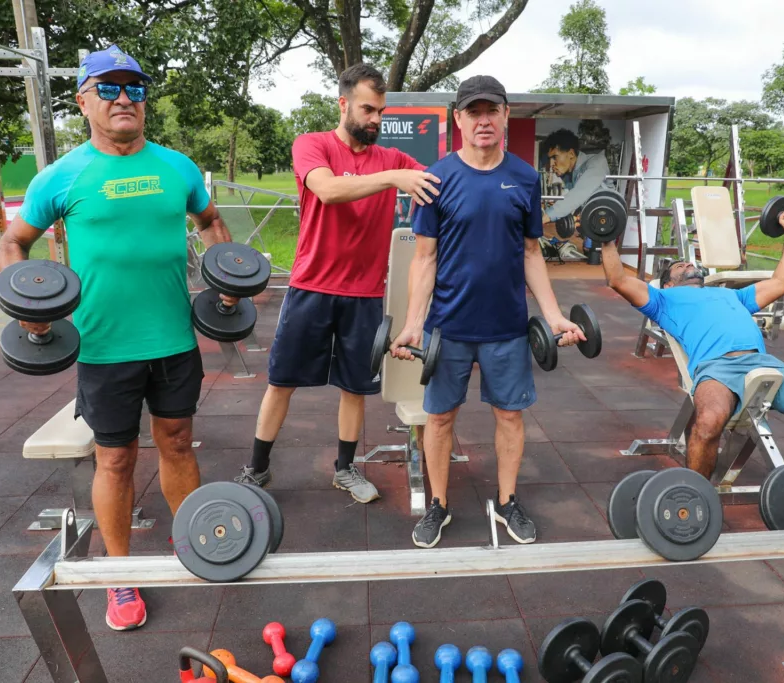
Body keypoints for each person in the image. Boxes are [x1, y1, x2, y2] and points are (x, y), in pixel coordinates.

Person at [0, 45, 235, 632]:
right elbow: (15, 245)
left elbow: (211, 226)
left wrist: (227, 278)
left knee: (178, 442)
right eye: (108, 88)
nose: (124, 98)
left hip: (174, 338)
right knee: (115, 457)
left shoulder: (176, 167)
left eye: (135, 88)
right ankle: (120, 573)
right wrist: (32, 313)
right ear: (84, 101)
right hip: (104, 346)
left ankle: (193, 544)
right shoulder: (62, 176)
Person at [390, 75, 584, 549]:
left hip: (506, 328)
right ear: (458, 119)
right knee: (438, 419)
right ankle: (438, 504)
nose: (482, 120)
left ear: (505, 116)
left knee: (511, 417)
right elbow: (424, 258)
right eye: (472, 112)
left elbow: (532, 253)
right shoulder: (437, 179)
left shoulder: (523, 176)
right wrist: (414, 324)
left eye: (490, 111)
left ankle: (507, 499)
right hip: (449, 327)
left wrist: (554, 315)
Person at [235, 64, 440, 503]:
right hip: (311, 287)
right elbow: (327, 190)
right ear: (343, 103)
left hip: (364, 294)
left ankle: (345, 469)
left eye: (381, 112)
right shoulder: (313, 145)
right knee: (281, 381)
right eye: (368, 109)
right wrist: (392, 179)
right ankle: (257, 469)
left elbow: (440, 182)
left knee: (354, 387)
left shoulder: (390, 158)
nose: (376, 120)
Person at [601, 211, 784, 478]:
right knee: (707, 425)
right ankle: (694, 501)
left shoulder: (732, 295)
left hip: (764, 365)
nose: (689, 266)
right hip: (717, 370)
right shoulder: (662, 301)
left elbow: (782, 282)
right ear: (668, 283)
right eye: (680, 266)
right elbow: (618, 279)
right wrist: (607, 238)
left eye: (690, 264)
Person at [540, 128, 610, 256]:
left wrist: (545, 217)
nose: (552, 164)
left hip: (609, 225)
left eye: (555, 157)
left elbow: (578, 194)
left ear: (571, 154)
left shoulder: (596, 163)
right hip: (592, 228)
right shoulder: (571, 174)